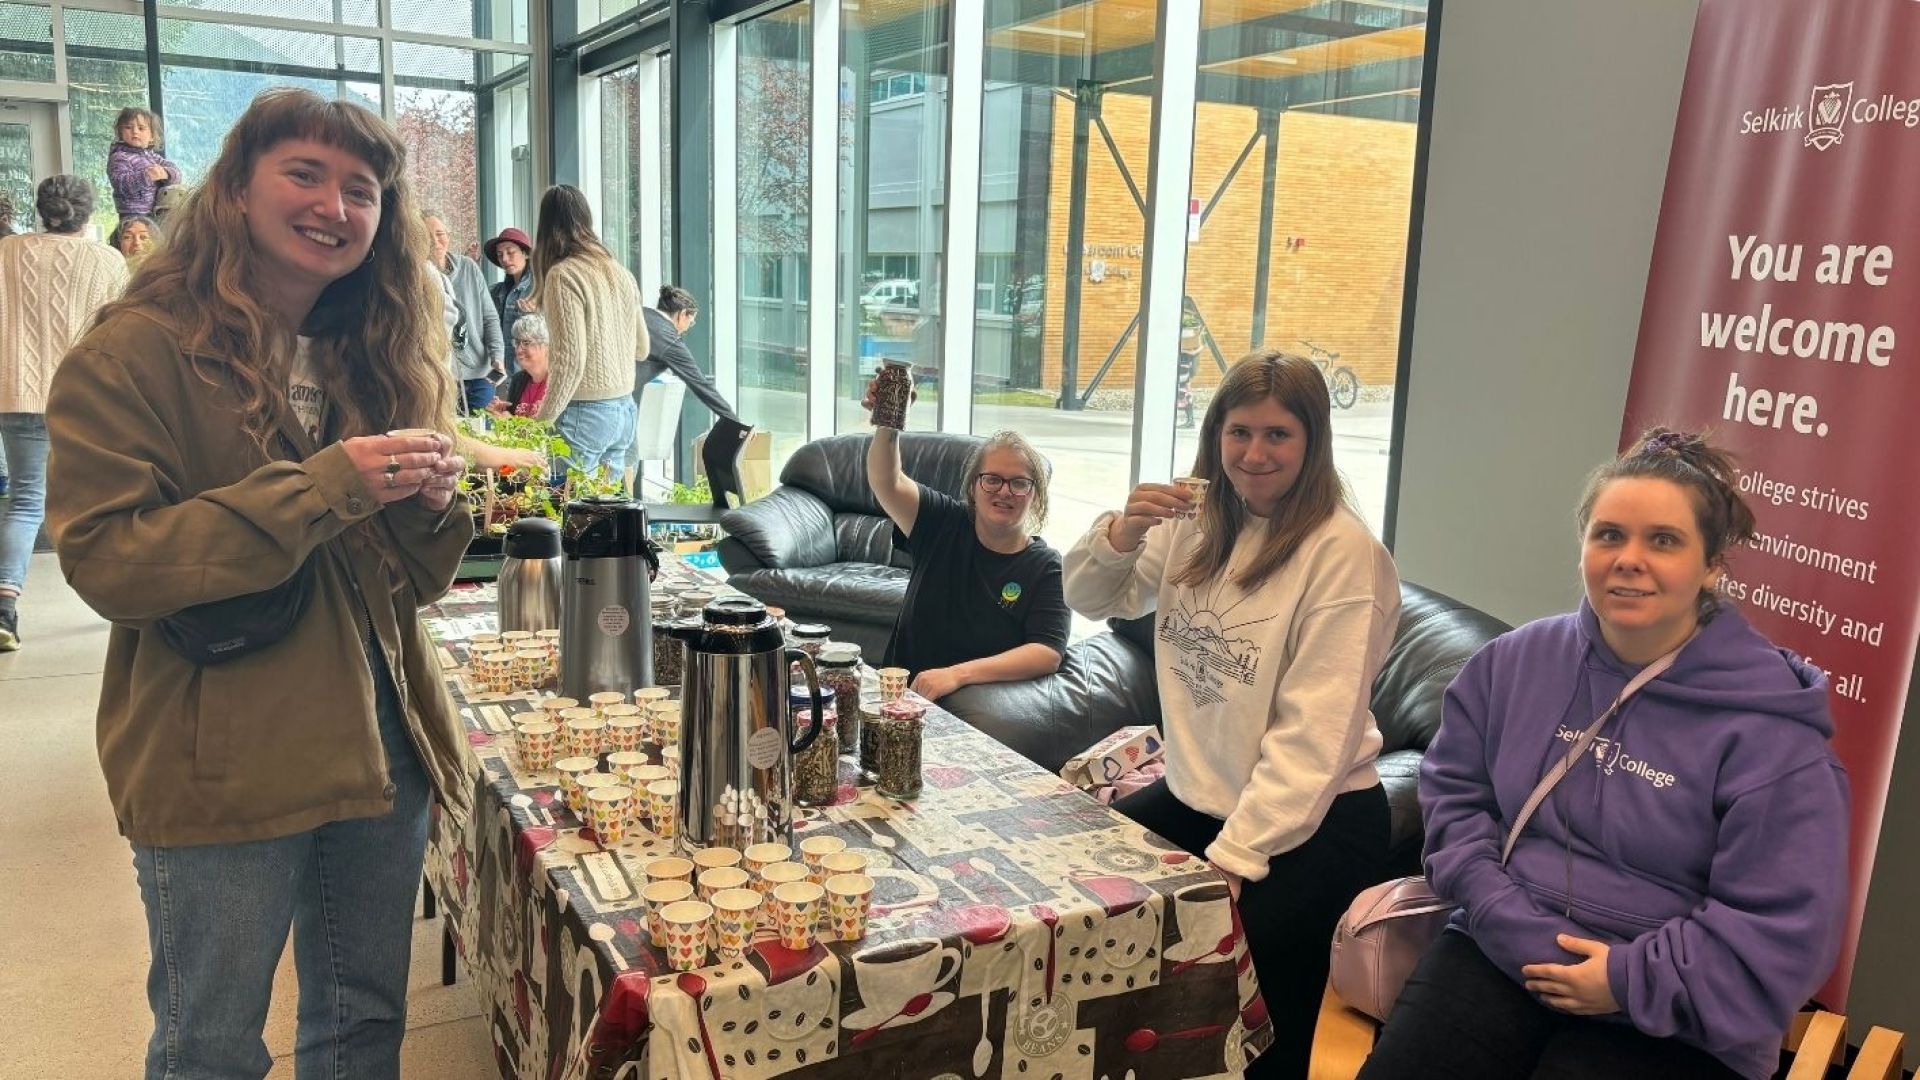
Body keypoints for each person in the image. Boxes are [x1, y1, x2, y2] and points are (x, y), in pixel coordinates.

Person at [44, 88, 474, 1079]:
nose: (335, 206)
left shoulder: (375, 352)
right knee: (212, 1044)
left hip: (380, 740)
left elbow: (405, 585)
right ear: (236, 188)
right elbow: (108, 561)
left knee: (364, 1024)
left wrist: (427, 505)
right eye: (305, 174)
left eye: (361, 189)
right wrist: (324, 487)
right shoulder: (134, 351)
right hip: (224, 755)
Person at [1359, 429, 1848, 1080]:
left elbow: (1780, 927)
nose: (1629, 560)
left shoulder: (1773, 735)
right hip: (1503, 947)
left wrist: (1626, 979)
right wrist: (1503, 915)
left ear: (1713, 566)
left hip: (1680, 1009)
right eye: (1610, 535)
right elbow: (1455, 798)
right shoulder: (1514, 665)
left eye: (1664, 540)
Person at [1063, 350, 1399, 1080]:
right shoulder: (1196, 520)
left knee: (1257, 1019)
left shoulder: (1344, 556)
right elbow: (1092, 598)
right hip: (1203, 796)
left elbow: (1314, 739)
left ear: (1313, 442)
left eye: (1278, 434)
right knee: (1081, 895)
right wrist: (1121, 533)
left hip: (1312, 821)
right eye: (1239, 431)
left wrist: (1238, 857)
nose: (1254, 454)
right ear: (1215, 433)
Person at [0, 175, 129, 651]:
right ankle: (123, 602)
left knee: (26, 500)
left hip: (17, 390)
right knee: (104, 500)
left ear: (41, 210)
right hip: (87, 395)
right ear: (87, 212)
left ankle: (4, 608)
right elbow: (122, 327)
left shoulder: (7, 252)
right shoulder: (107, 260)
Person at [864, 411, 1068, 700]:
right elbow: (887, 481)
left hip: (978, 711)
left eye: (1020, 483)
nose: (1005, 491)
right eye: (992, 479)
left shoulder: (1047, 568)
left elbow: (1047, 652)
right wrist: (889, 419)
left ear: (1036, 495)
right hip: (900, 701)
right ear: (973, 487)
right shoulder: (942, 522)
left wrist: (957, 674)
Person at [527, 184, 645, 478]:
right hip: (625, 409)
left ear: (546, 226)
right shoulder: (620, 272)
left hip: (586, 415)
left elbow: (570, 361)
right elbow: (642, 348)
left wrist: (542, 423)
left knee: (567, 503)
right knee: (606, 504)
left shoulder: (563, 275)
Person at [626, 285, 743, 478]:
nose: (688, 327)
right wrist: (736, 423)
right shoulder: (668, 338)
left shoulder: (641, 314)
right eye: (691, 321)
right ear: (682, 314)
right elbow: (700, 384)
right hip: (616, 400)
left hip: (601, 390)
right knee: (627, 461)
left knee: (611, 461)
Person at [425, 210, 504, 412]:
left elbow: (490, 317)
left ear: (449, 236)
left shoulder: (468, 267)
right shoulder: (419, 276)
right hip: (442, 378)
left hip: (480, 376)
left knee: (481, 427)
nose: (435, 241)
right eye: (427, 236)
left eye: (440, 234)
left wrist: (497, 356)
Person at [106, 106, 183, 219]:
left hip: (155, 213)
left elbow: (177, 173)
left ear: (152, 136)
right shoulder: (119, 157)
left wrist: (165, 173)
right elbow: (120, 184)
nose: (135, 131)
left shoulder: (152, 156)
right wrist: (146, 176)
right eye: (128, 127)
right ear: (120, 132)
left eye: (141, 128)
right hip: (132, 214)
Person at [484, 226, 534, 370]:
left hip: (529, 372)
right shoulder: (496, 291)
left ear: (526, 254)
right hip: (502, 371)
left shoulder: (538, 290)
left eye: (510, 252)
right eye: (500, 255)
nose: (505, 259)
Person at [490, 312, 552, 419]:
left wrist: (510, 421)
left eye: (526, 343)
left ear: (546, 345)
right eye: (517, 343)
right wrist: (501, 412)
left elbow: (552, 428)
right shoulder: (518, 380)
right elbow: (511, 420)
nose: (519, 350)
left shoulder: (557, 382)